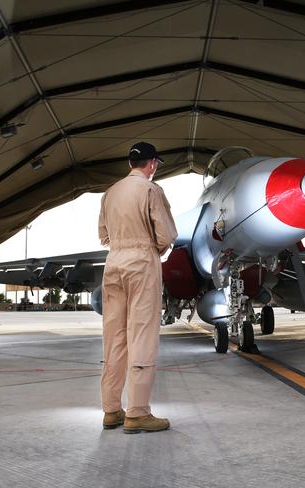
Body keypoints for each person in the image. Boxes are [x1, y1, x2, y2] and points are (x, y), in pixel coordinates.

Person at [98, 142, 178, 433]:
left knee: (115, 336)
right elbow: (166, 235)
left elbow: (103, 235)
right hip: (142, 260)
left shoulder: (110, 193)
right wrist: (150, 250)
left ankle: (111, 410)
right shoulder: (151, 190)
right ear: (152, 164)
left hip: (114, 261)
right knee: (141, 334)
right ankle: (138, 413)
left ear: (131, 162)